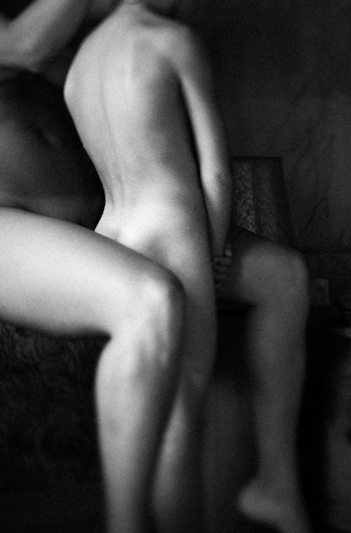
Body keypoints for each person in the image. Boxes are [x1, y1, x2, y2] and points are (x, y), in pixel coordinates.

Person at [64, 1, 311, 532]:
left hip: (112, 234)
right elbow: (216, 172)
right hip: (173, 231)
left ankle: (273, 484)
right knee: (180, 414)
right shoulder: (171, 41)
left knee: (153, 407)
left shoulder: (82, 62)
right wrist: (215, 251)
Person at [1, 1, 187, 532]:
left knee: (251, 291)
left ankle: (264, 491)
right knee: (150, 303)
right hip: (8, 221)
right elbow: (23, 47)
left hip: (105, 214)